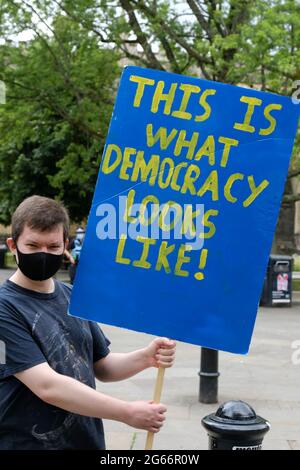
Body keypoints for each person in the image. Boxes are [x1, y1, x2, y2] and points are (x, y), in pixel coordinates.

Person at [0, 195, 176, 450]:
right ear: (13, 245)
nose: (43, 254)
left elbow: (101, 365)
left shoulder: (73, 296)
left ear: (65, 245)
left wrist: (146, 357)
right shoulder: (5, 307)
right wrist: (126, 412)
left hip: (86, 442)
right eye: (33, 245)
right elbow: (46, 386)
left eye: (52, 247)